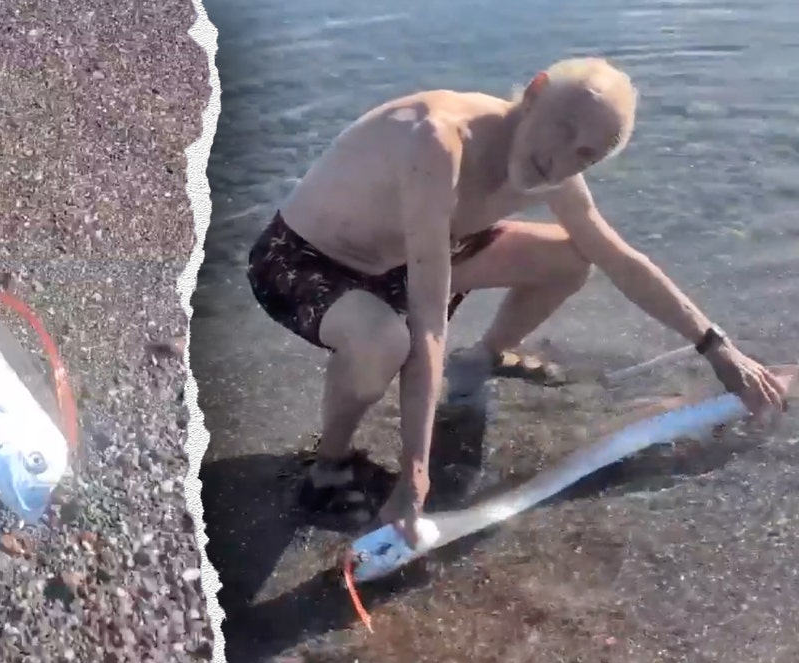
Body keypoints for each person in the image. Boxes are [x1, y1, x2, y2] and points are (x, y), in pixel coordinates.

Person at [245, 57, 788, 548]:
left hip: (411, 258)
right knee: (386, 341)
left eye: (587, 153)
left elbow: (625, 261)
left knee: (574, 256)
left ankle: (479, 362)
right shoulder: (438, 144)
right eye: (564, 129)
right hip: (306, 260)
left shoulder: (555, 170)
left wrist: (717, 347)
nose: (561, 160)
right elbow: (429, 317)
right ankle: (331, 464)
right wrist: (417, 472)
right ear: (534, 93)